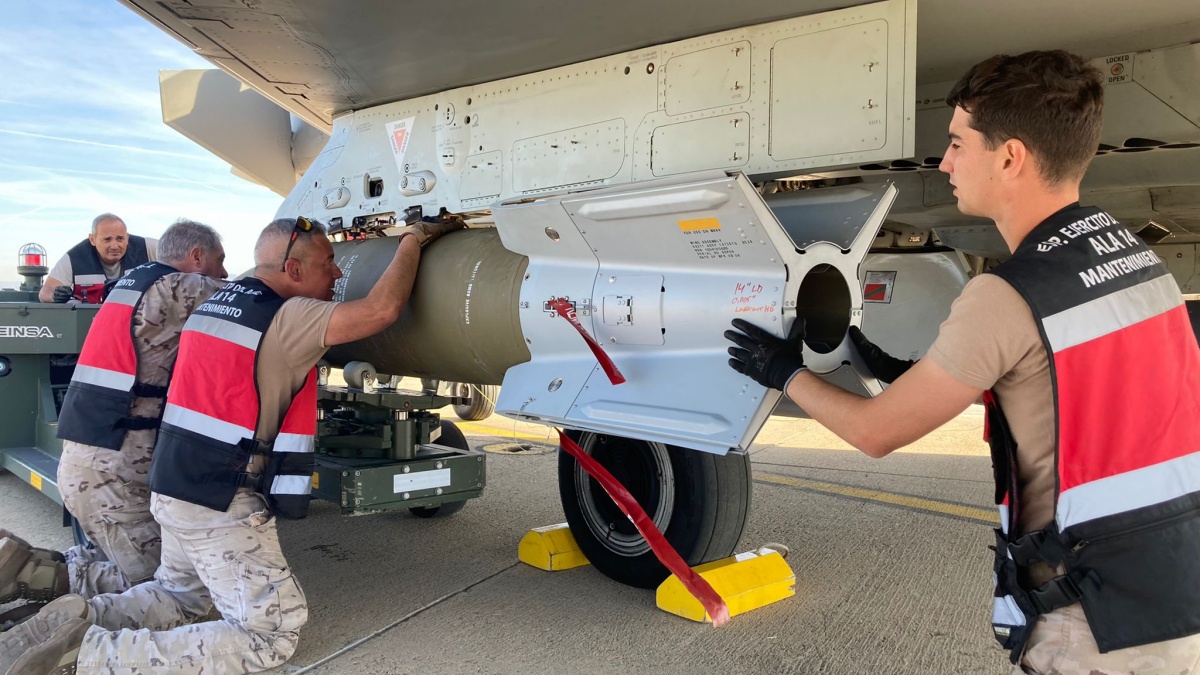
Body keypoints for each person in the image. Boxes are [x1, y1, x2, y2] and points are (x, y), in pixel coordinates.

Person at [725, 51, 1200, 674]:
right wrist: (904, 372)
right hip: (1173, 584)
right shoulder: (1135, 260)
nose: (945, 162)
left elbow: (876, 433)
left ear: (1011, 157)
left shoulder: (1008, 296)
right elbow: (1072, 384)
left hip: (1096, 624)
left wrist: (782, 372)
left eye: (956, 143)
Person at [2, 215, 463, 674]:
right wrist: (412, 240)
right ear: (294, 270)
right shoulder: (290, 313)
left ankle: (50, 631)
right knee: (270, 636)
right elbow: (381, 310)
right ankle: (84, 658)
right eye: (329, 262)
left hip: (173, 485)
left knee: (179, 595)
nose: (338, 274)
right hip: (219, 496)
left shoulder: (215, 304)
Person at [0, 219, 227, 668]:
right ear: (198, 257)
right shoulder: (186, 285)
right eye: (219, 261)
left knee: (132, 567)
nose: (223, 272)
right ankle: (48, 642)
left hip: (89, 465)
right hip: (114, 479)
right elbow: (259, 306)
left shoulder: (131, 284)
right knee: (178, 596)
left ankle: (26, 570)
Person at [39, 213, 159, 304]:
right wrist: (55, 295)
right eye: (107, 239)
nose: (114, 246)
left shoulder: (147, 247)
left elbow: (176, 256)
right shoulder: (74, 257)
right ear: (92, 239)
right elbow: (45, 292)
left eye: (120, 239)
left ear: (127, 237)